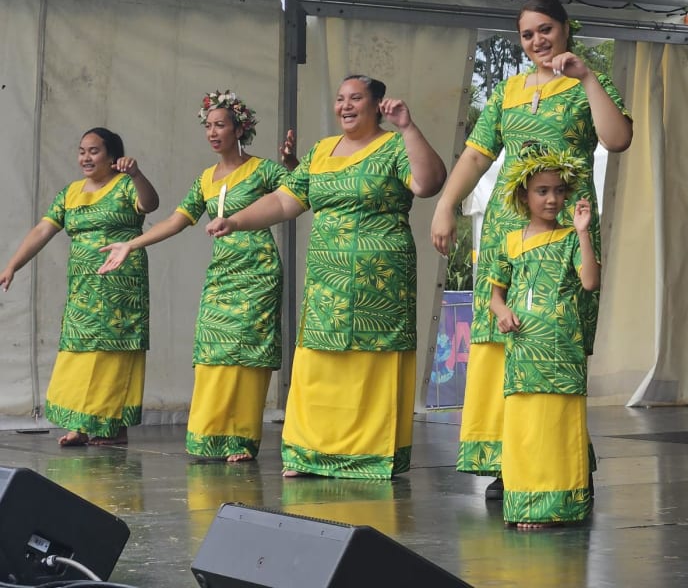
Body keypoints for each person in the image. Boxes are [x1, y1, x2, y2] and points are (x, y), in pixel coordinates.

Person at [431, 0, 632, 499]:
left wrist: (587, 78)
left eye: (546, 29)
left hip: (568, 226)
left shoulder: (589, 81)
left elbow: (619, 138)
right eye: (527, 34)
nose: (538, 41)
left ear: (566, 29)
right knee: (506, 333)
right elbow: (477, 156)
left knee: (553, 335)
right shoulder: (508, 92)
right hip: (509, 225)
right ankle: (508, 460)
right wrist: (445, 206)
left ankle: (564, 456)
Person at [206, 74, 446, 479]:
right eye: (340, 99)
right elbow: (285, 201)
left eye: (356, 98)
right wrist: (236, 221)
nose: (346, 106)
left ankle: (368, 456)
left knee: (371, 364)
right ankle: (311, 452)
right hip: (326, 280)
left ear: (377, 105)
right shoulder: (320, 151)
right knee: (320, 360)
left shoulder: (394, 146)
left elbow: (428, 184)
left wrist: (408, 127)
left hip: (380, 280)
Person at [98, 91, 297, 462]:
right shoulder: (205, 179)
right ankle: (210, 435)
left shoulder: (263, 169)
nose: (212, 132)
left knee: (247, 355)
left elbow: (301, 191)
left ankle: (240, 440)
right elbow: (176, 220)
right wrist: (132, 244)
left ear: (240, 128)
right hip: (222, 273)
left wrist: (291, 163)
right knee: (213, 350)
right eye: (208, 125)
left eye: (220, 124)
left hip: (259, 272)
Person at [1, 127, 159, 446]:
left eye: (94, 151)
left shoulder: (126, 185)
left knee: (113, 355)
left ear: (113, 156)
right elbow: (43, 231)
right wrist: (12, 265)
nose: (86, 157)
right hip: (83, 287)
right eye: (82, 151)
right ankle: (80, 423)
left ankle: (113, 427)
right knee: (79, 352)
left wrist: (138, 174)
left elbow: (151, 204)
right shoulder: (70, 193)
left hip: (121, 286)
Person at [489, 144, 599, 529]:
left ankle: (559, 505)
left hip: (562, 349)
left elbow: (589, 281)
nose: (552, 199)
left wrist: (583, 233)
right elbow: (495, 295)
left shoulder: (570, 238)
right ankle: (526, 504)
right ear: (524, 195)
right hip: (523, 351)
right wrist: (502, 313)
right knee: (526, 427)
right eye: (542, 191)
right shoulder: (510, 242)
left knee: (558, 426)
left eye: (558, 191)